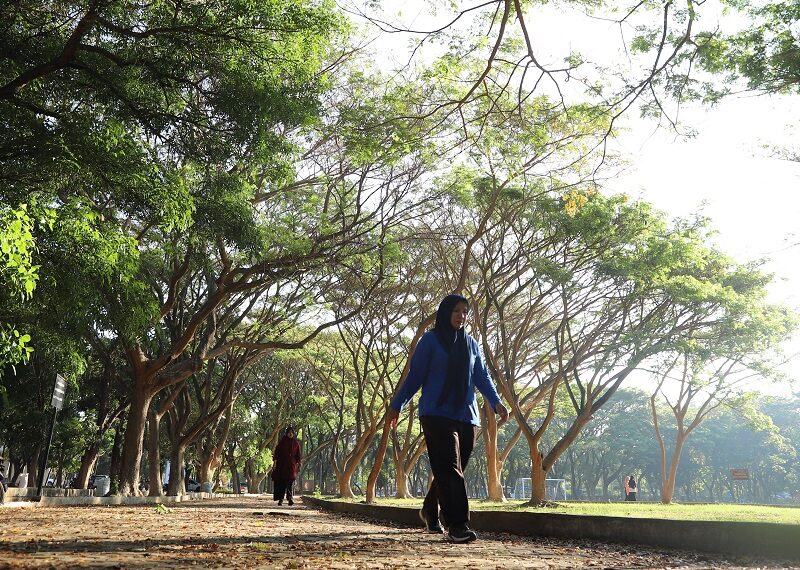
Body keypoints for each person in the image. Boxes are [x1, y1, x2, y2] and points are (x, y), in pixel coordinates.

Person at [386, 294, 509, 543]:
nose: (461, 316)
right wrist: (397, 404)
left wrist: (496, 402)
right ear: (445, 313)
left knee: (452, 469)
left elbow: (482, 377)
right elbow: (415, 376)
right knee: (451, 468)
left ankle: (430, 510)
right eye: (456, 311)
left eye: (465, 312)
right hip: (435, 412)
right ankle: (458, 525)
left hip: (467, 415)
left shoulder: (471, 344)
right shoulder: (430, 341)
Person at [272, 426, 302, 506]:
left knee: (290, 483)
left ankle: (290, 499)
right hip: (282, 465)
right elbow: (277, 453)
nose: (290, 434)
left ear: (293, 434)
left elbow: (298, 455)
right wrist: (274, 462)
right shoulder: (282, 442)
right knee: (281, 483)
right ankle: (280, 499)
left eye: (292, 433)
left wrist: (299, 463)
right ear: (286, 433)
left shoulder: (296, 444)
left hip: (291, 466)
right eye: (289, 432)